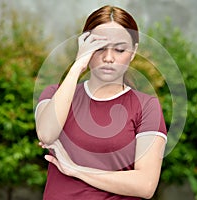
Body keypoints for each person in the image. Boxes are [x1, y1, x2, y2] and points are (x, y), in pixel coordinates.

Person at [35, 5, 167, 200]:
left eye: (120, 49)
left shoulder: (147, 107)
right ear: (85, 47)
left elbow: (145, 185)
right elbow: (46, 134)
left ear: (133, 52)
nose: (108, 58)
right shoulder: (55, 94)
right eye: (99, 48)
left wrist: (76, 170)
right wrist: (78, 65)